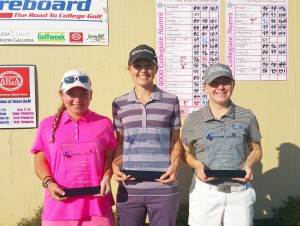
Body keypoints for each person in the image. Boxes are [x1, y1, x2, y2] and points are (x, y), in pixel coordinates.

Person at [31, 70, 117, 226]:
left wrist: (107, 177)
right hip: (58, 209)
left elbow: (110, 158)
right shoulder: (46, 125)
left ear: (91, 95)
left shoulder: (104, 123)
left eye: (83, 93)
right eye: (71, 93)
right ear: (61, 95)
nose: (78, 99)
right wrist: (49, 183)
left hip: (97, 207)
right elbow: (39, 161)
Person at [181, 63, 263, 226]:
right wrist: (197, 165)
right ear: (205, 87)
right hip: (205, 192)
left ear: (233, 84)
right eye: (214, 83)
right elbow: (184, 152)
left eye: (225, 82)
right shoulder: (194, 119)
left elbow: (257, 149)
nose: (220, 87)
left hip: (239, 193)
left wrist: (249, 164)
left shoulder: (247, 116)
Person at [112, 44, 183, 226]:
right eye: (137, 65)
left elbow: (176, 141)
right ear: (129, 69)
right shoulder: (119, 104)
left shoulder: (171, 101)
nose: (143, 70)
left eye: (148, 65)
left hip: (163, 188)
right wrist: (114, 166)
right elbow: (119, 143)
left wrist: (175, 166)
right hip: (129, 188)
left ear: (156, 69)